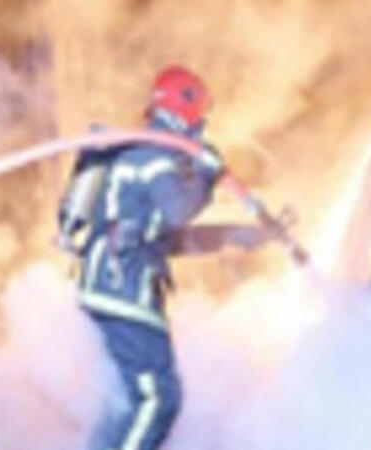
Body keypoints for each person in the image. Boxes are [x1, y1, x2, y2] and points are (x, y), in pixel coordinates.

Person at [60, 65, 257, 450]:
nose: (202, 124)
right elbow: (177, 211)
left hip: (114, 284)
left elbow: (164, 237)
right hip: (122, 288)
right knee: (157, 399)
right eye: (199, 113)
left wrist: (240, 235)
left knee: (126, 403)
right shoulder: (154, 157)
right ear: (184, 107)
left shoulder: (142, 155)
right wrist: (207, 174)